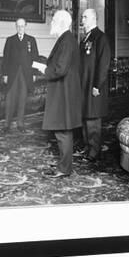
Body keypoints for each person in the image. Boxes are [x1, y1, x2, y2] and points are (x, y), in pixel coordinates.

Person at [40, 10, 82, 178]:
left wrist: (45, 69)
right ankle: (65, 165)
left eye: (53, 21)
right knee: (63, 131)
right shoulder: (67, 39)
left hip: (63, 93)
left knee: (62, 131)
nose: (51, 24)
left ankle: (64, 169)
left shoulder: (66, 40)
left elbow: (60, 69)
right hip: (64, 91)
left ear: (62, 23)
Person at [78, 8, 111, 162]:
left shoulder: (101, 37)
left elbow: (104, 64)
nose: (82, 20)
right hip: (84, 85)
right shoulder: (86, 38)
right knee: (85, 117)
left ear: (92, 19)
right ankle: (87, 147)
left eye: (84, 17)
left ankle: (94, 152)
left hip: (94, 86)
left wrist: (97, 85)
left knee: (93, 120)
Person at [1, 18, 39, 134]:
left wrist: (34, 73)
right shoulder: (10, 40)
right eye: (18, 26)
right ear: (15, 26)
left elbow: (35, 57)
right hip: (12, 73)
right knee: (10, 99)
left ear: (25, 26)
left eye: (22, 26)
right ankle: (7, 124)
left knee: (22, 98)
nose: (20, 28)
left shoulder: (31, 40)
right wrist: (5, 74)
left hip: (26, 74)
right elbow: (5, 58)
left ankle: (20, 124)